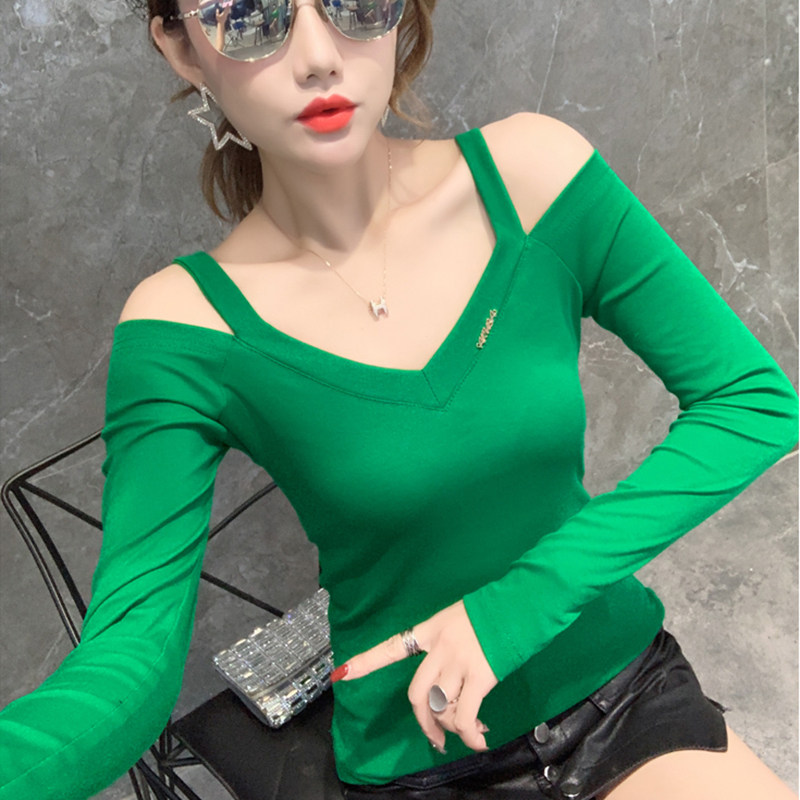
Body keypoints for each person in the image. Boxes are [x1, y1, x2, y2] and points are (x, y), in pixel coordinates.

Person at [0, 1, 798, 798]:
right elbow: (129, 664)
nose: (319, 56)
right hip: (421, 760)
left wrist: (520, 604)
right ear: (181, 48)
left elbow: (752, 400)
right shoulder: (183, 326)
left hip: (617, 694)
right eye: (249, 15)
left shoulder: (531, 178)